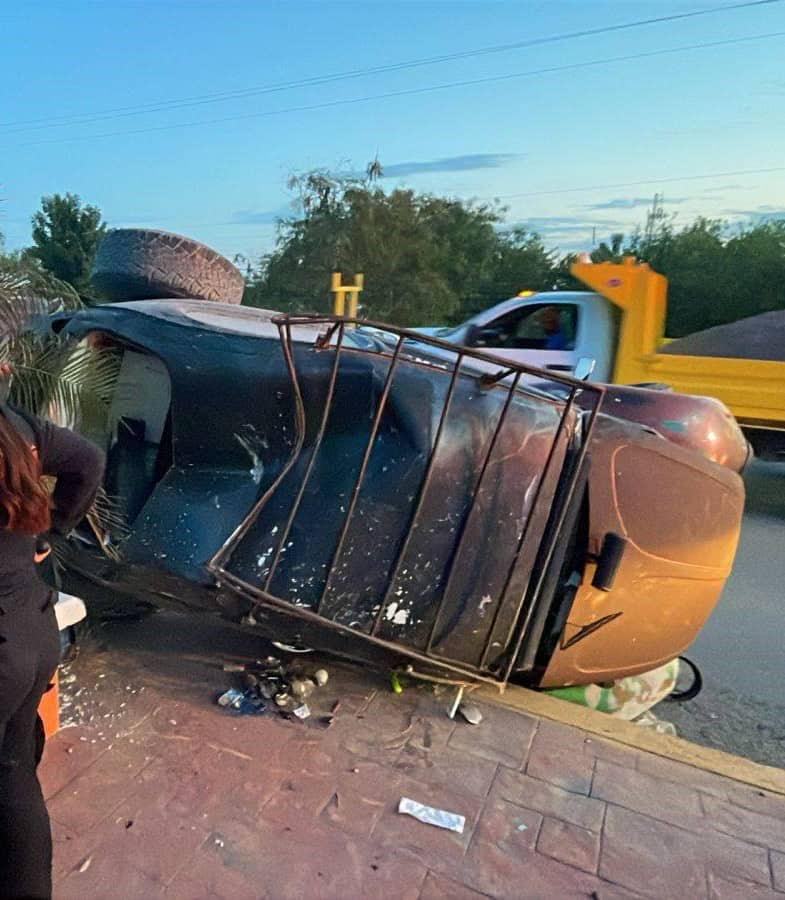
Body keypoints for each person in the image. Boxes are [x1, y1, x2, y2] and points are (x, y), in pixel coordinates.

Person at [0, 365, 104, 900]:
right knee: (13, 773)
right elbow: (88, 459)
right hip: (33, 628)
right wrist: (52, 532)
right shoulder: (16, 428)